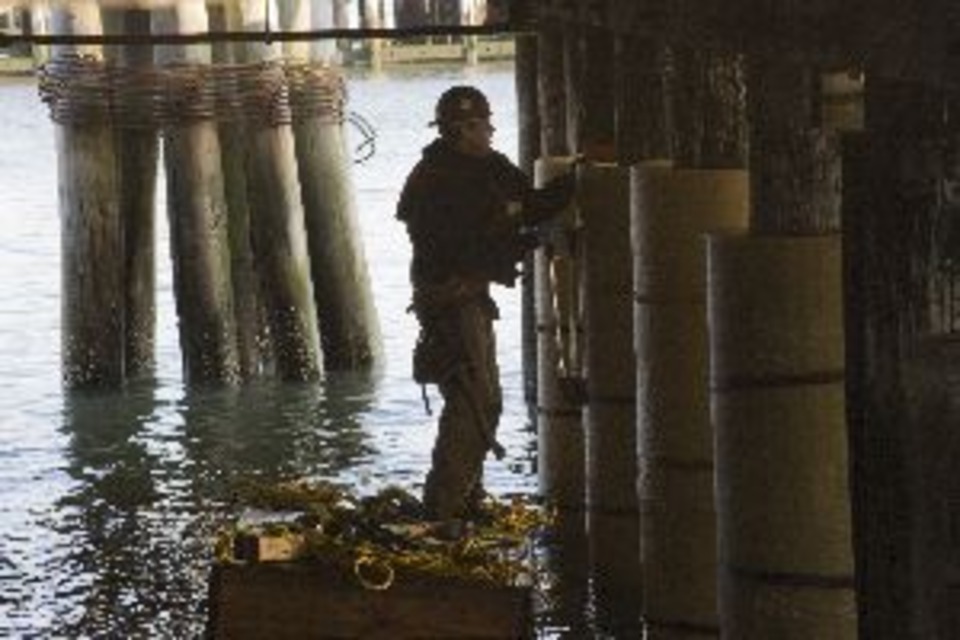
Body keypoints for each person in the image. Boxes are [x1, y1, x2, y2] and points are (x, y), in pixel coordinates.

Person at [396, 85, 575, 521]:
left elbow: (529, 205)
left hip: (472, 296)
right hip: (449, 299)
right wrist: (513, 238)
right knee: (475, 399)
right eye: (482, 125)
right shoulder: (433, 180)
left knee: (481, 399)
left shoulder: (490, 167)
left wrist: (574, 182)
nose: (491, 131)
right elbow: (454, 246)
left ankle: (465, 499)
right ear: (460, 130)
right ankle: (445, 509)